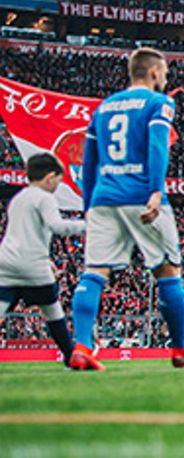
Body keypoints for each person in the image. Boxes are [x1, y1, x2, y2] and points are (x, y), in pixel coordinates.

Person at [72, 47, 184, 371]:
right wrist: (155, 190)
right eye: (164, 72)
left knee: (94, 272)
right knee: (168, 272)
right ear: (153, 72)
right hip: (141, 194)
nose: (166, 78)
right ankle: (180, 349)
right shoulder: (159, 103)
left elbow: (89, 160)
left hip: (103, 198)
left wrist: (88, 206)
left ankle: (82, 345)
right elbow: (156, 145)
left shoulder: (104, 107)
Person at [0, 154, 84, 368]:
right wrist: (88, 225)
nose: (58, 184)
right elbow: (57, 226)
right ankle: (70, 357)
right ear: (49, 177)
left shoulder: (18, 198)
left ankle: (70, 356)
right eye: (59, 179)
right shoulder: (45, 198)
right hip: (32, 266)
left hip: (6, 262)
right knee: (53, 310)